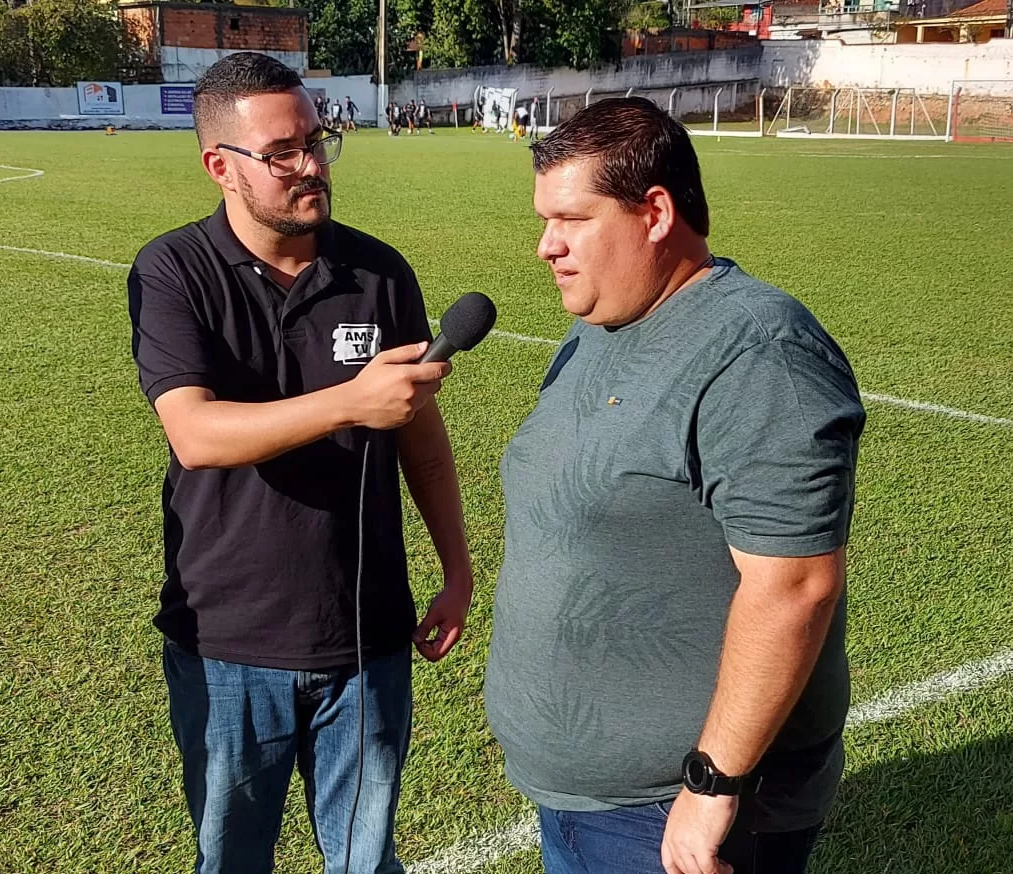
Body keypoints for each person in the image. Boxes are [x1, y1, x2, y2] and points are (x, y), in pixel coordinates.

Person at [484, 96, 864, 874]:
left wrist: (713, 780)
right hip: (587, 800)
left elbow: (794, 587)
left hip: (676, 813)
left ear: (654, 212)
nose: (544, 246)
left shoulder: (759, 353)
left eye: (571, 219)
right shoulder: (601, 325)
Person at [128, 52, 475, 874]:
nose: (312, 165)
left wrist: (457, 568)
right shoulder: (175, 270)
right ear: (221, 165)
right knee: (231, 858)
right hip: (230, 640)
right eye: (283, 152)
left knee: (365, 859)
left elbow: (420, 437)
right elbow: (196, 434)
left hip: (366, 635)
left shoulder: (378, 271)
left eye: (317, 141)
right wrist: (350, 402)